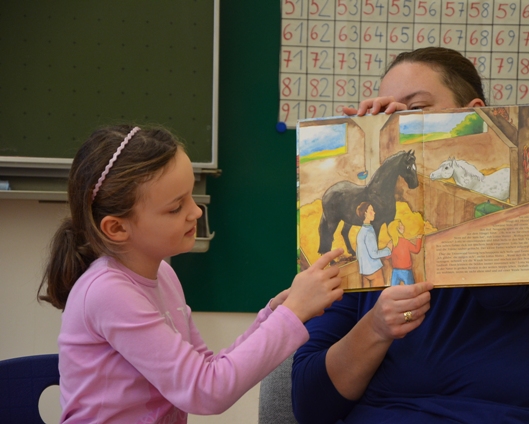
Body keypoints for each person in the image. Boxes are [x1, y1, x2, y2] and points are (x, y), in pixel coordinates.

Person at [291, 47, 529, 424]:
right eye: (386, 114)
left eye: (415, 109)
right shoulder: (362, 241)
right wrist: (375, 327)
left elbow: (505, 291)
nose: (397, 122)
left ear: (474, 111)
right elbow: (311, 403)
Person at [37, 125, 344, 423]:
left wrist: (273, 315)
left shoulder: (165, 276)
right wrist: (291, 315)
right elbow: (206, 391)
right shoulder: (107, 291)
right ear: (117, 228)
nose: (196, 212)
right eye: (175, 208)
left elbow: (206, 368)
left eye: (191, 196)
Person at [355, 202, 392, 288]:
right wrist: (388, 250)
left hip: (364, 272)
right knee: (379, 296)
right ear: (365, 213)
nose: (374, 212)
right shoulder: (369, 232)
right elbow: (374, 254)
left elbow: (358, 254)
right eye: (371, 210)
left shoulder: (361, 232)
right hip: (374, 270)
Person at [386, 219, 422, 286]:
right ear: (397, 229)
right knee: (411, 291)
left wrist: (388, 249)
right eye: (401, 225)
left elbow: (387, 256)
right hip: (406, 271)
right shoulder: (405, 242)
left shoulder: (392, 243)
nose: (403, 226)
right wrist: (419, 238)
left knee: (393, 291)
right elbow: (416, 250)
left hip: (395, 271)